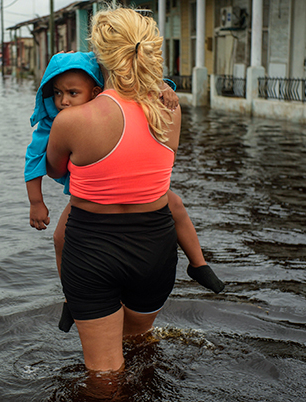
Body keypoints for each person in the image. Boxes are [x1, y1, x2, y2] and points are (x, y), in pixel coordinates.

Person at [46, 5, 220, 372]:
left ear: (100, 56)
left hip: (91, 248)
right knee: (139, 346)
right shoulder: (168, 109)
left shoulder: (71, 120)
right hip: (154, 247)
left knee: (105, 373)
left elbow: (54, 169)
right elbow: (158, 167)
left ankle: (71, 305)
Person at [26, 54, 224, 331]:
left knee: (175, 204)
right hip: (92, 194)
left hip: (129, 191)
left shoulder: (102, 109)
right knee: (60, 238)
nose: (64, 101)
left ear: (95, 90)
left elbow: (136, 82)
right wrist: (37, 201)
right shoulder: (57, 122)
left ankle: (199, 264)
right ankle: (71, 297)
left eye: (72, 93)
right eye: (58, 94)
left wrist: (163, 87)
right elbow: (35, 160)